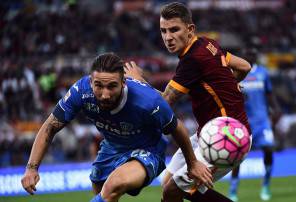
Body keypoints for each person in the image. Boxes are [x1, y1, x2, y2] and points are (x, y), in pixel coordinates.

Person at [20, 52, 213, 202]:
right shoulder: (80, 92)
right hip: (111, 147)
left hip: (148, 150)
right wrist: (31, 168)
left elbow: (176, 127)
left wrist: (192, 163)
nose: (104, 94)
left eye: (112, 86)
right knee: (100, 187)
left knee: (114, 185)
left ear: (123, 82)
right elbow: (49, 127)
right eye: (98, 86)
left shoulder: (147, 100)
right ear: (90, 81)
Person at [124, 2, 252, 202]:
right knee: (168, 182)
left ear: (190, 29)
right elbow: (244, 66)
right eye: (163, 31)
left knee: (173, 191)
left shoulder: (192, 60)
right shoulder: (208, 44)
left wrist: (138, 82)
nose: (168, 37)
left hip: (229, 138)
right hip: (209, 131)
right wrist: (227, 84)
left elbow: (163, 104)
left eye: (174, 29)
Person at [229, 48, 281, 202]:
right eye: (248, 53)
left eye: (253, 53)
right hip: (242, 121)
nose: (251, 55)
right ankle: (233, 192)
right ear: (244, 56)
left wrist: (276, 109)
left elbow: (269, 93)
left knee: (269, 149)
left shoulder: (263, 73)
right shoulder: (238, 72)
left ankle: (265, 185)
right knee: (238, 158)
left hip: (262, 120)